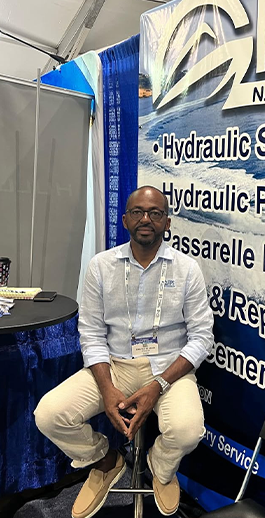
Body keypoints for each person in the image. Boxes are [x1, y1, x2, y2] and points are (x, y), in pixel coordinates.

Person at [34, 185, 214, 518]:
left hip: (168, 370)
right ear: (125, 219)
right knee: (49, 414)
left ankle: (160, 467)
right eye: (138, 212)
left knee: (188, 431)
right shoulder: (101, 266)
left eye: (155, 213)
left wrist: (158, 384)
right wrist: (106, 388)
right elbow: (91, 332)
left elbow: (202, 338)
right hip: (114, 365)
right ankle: (105, 460)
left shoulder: (187, 269)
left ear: (167, 222)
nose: (146, 219)